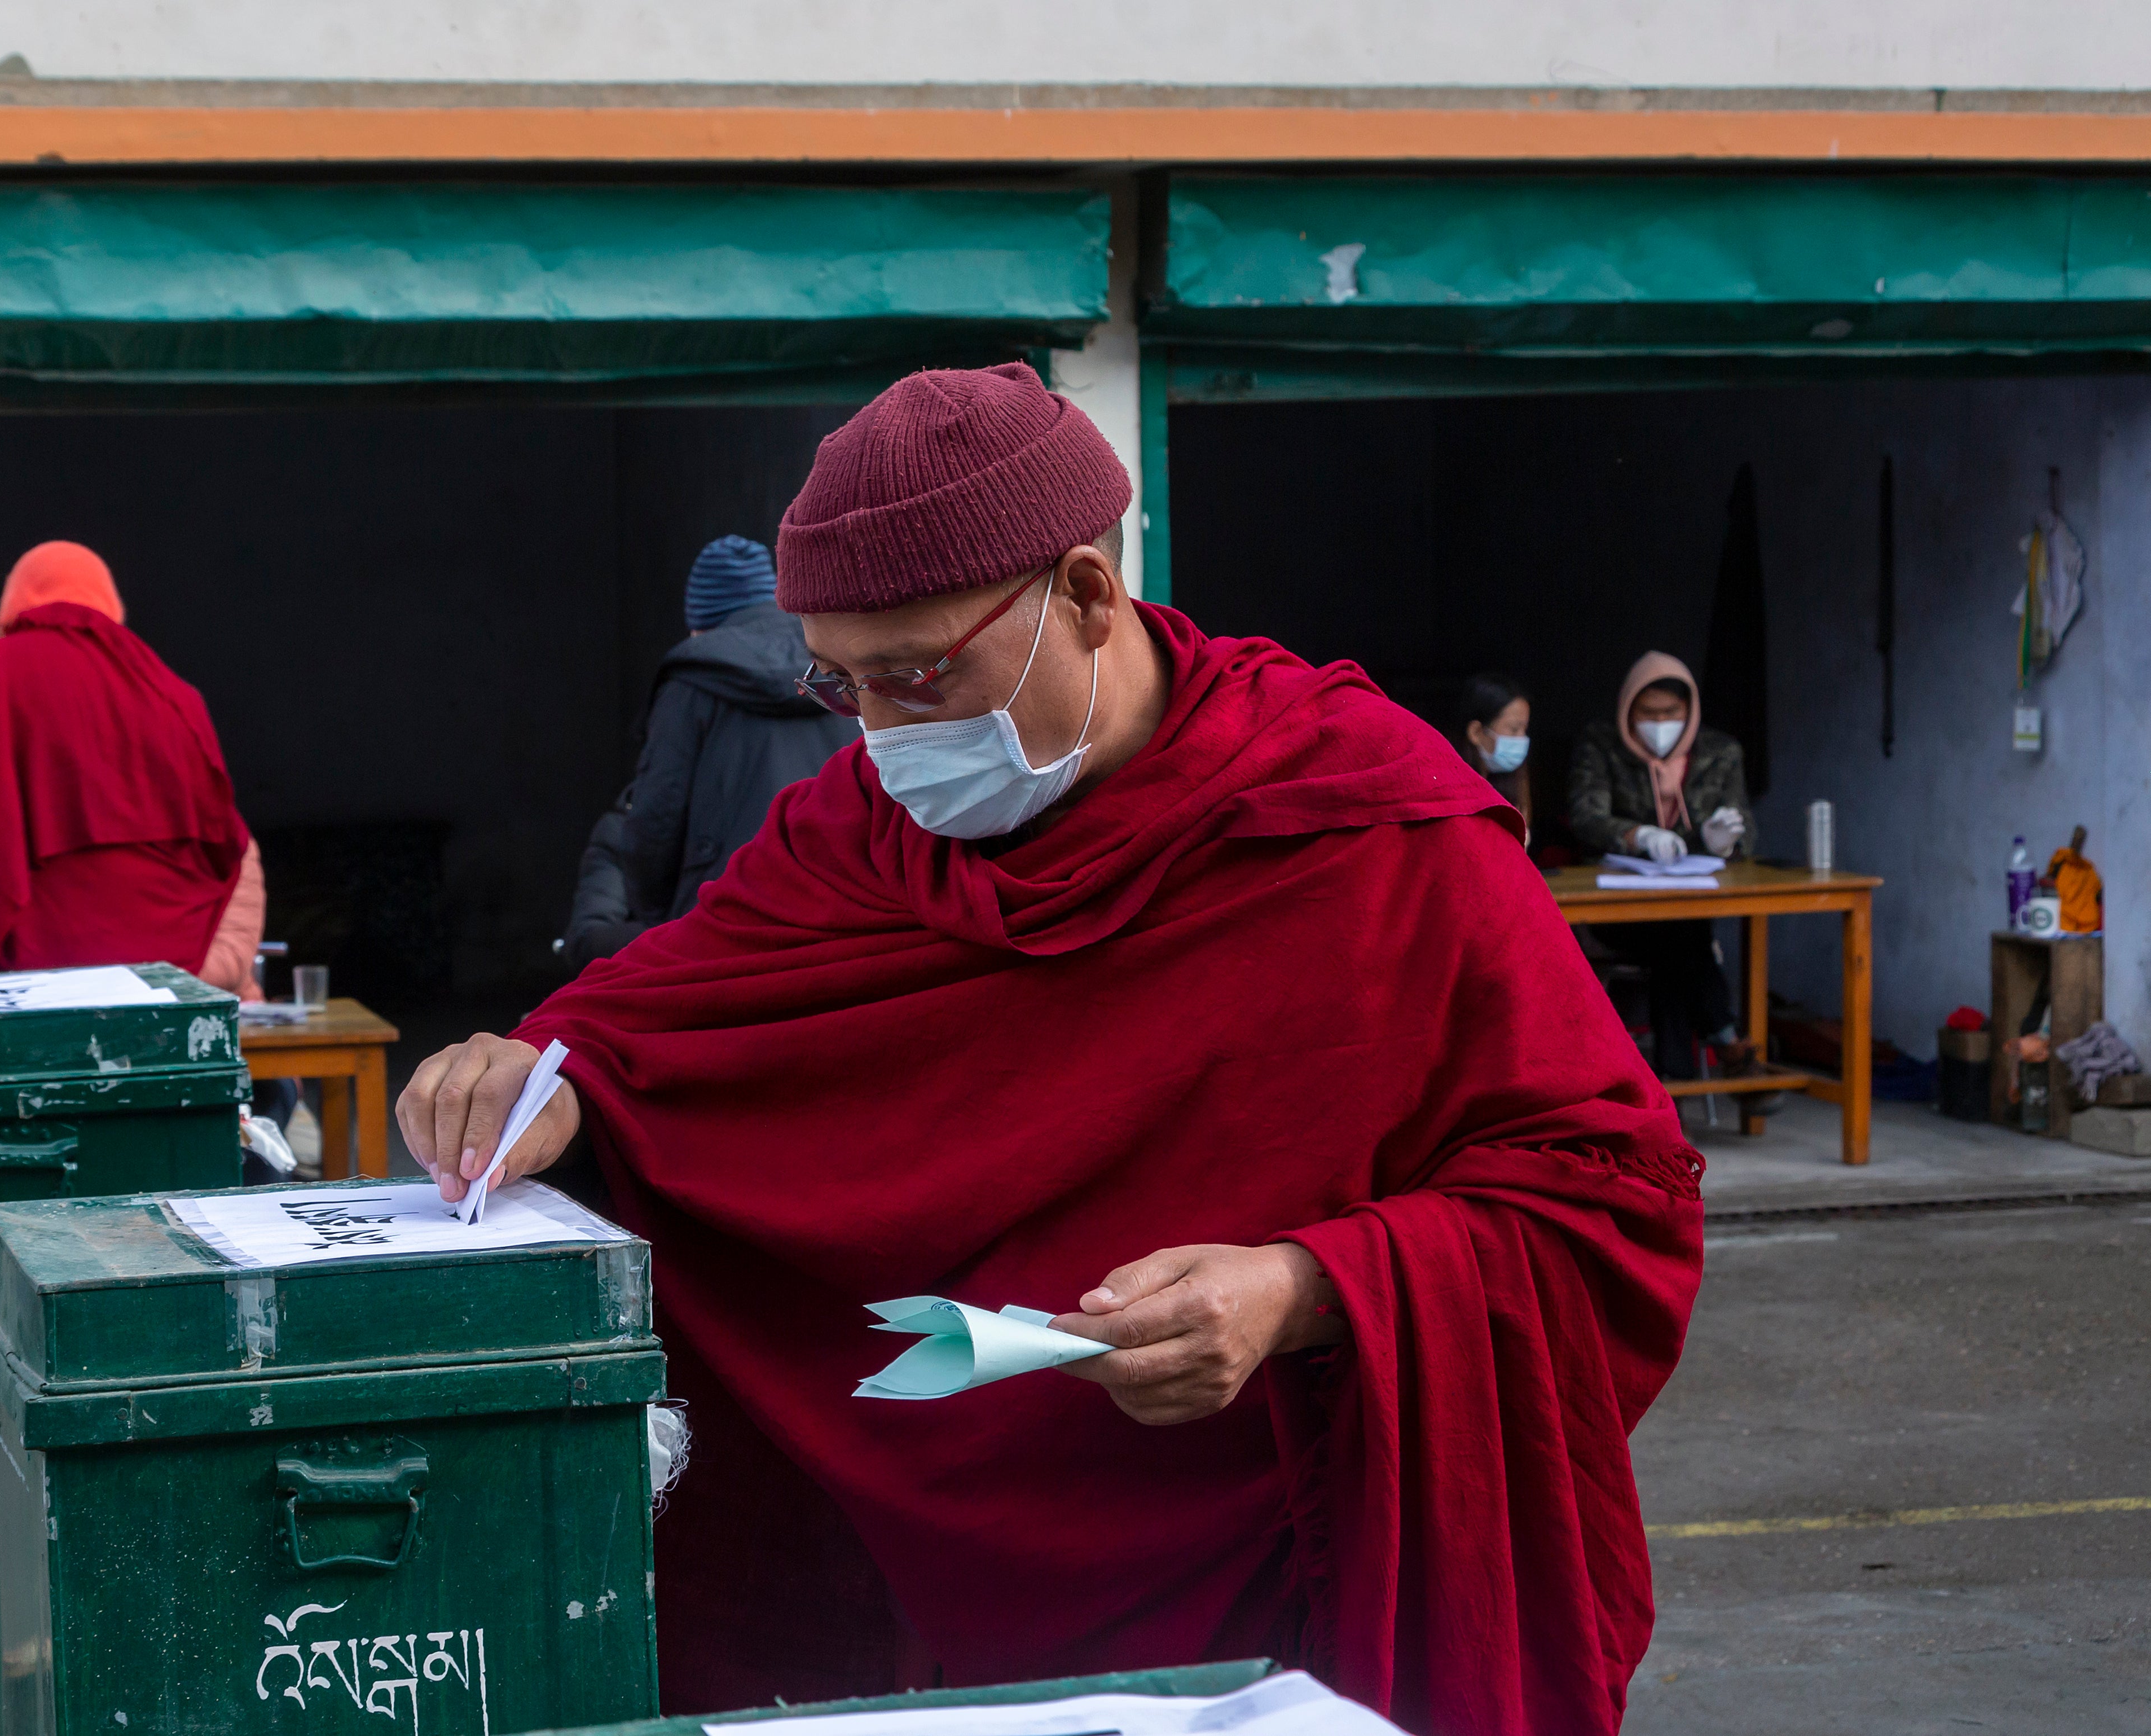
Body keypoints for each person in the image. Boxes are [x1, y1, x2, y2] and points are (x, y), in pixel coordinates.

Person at [399, 364, 1701, 1736]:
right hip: (934, 1622)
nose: (887, 739)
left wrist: (1306, 1286)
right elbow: (655, 1019)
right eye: (840, 686)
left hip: (1277, 1597)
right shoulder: (857, 832)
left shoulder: (1362, 826)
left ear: (1084, 593)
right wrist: (531, 1071)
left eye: (916, 674)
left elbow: (1605, 1195)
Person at [0, 541, 254, 978]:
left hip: (29, 956)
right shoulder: (174, 693)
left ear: (13, 603)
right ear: (110, 606)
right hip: (165, 966)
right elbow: (222, 840)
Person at [561, 536, 857, 970]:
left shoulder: (692, 679)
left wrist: (661, 918)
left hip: (725, 929)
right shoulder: (837, 670)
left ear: (702, 622)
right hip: (840, 923)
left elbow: (655, 822)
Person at [1568, 651, 1756, 1079]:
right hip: (1618, 912)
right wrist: (1639, 835)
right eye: (1648, 712)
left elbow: (1747, 831)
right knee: (1682, 936)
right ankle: (1725, 1040)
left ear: (1690, 710)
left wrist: (1721, 841)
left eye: (1671, 712)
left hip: (1688, 906)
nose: (1660, 722)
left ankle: (1674, 1084)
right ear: (1628, 708)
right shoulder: (1602, 746)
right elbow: (1587, 816)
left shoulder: (1720, 753)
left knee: (1677, 935)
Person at [1450, 670, 1532, 840]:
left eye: (1524, 729)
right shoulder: (1451, 790)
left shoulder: (1516, 781)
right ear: (1476, 732)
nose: (1522, 739)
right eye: (1513, 729)